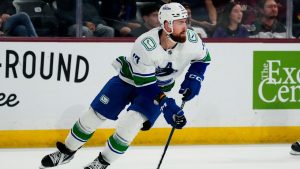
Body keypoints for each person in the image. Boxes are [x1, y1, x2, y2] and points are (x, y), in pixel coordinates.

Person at [40, 2, 211, 169]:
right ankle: (66, 152)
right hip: (129, 80)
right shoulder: (145, 44)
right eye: (181, 22)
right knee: (94, 115)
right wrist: (165, 103)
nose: (186, 26)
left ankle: (102, 162)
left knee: (131, 124)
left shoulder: (192, 40)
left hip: (160, 87)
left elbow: (203, 59)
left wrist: (195, 77)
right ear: (167, 25)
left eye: (186, 21)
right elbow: (145, 85)